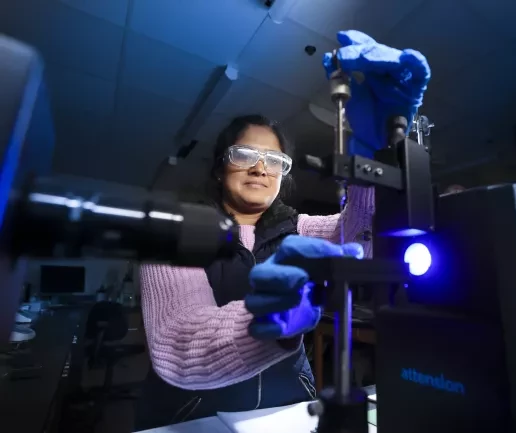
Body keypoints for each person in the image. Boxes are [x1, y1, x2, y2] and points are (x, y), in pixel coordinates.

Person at [134, 30, 430, 429]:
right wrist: (270, 322)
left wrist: (377, 152)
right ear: (221, 168)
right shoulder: (174, 230)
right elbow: (179, 341)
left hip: (288, 410)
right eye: (245, 155)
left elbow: (362, 236)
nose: (260, 168)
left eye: (275, 160)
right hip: (191, 417)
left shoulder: (301, 228)